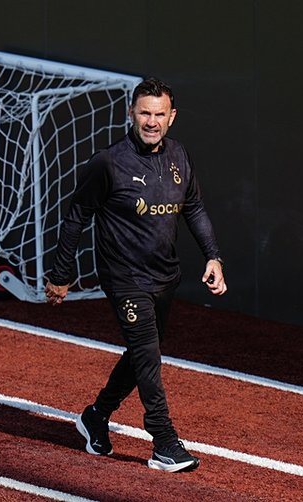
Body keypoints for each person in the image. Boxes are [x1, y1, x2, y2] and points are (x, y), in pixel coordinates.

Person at [45, 77, 227, 473]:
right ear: (131, 113)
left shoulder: (179, 155)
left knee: (144, 353)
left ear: (171, 117)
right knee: (147, 354)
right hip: (124, 277)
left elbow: (194, 207)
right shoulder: (108, 162)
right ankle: (164, 442)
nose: (151, 121)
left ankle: (96, 416)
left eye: (159, 114)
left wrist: (213, 257)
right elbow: (76, 216)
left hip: (165, 276)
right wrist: (61, 273)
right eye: (144, 113)